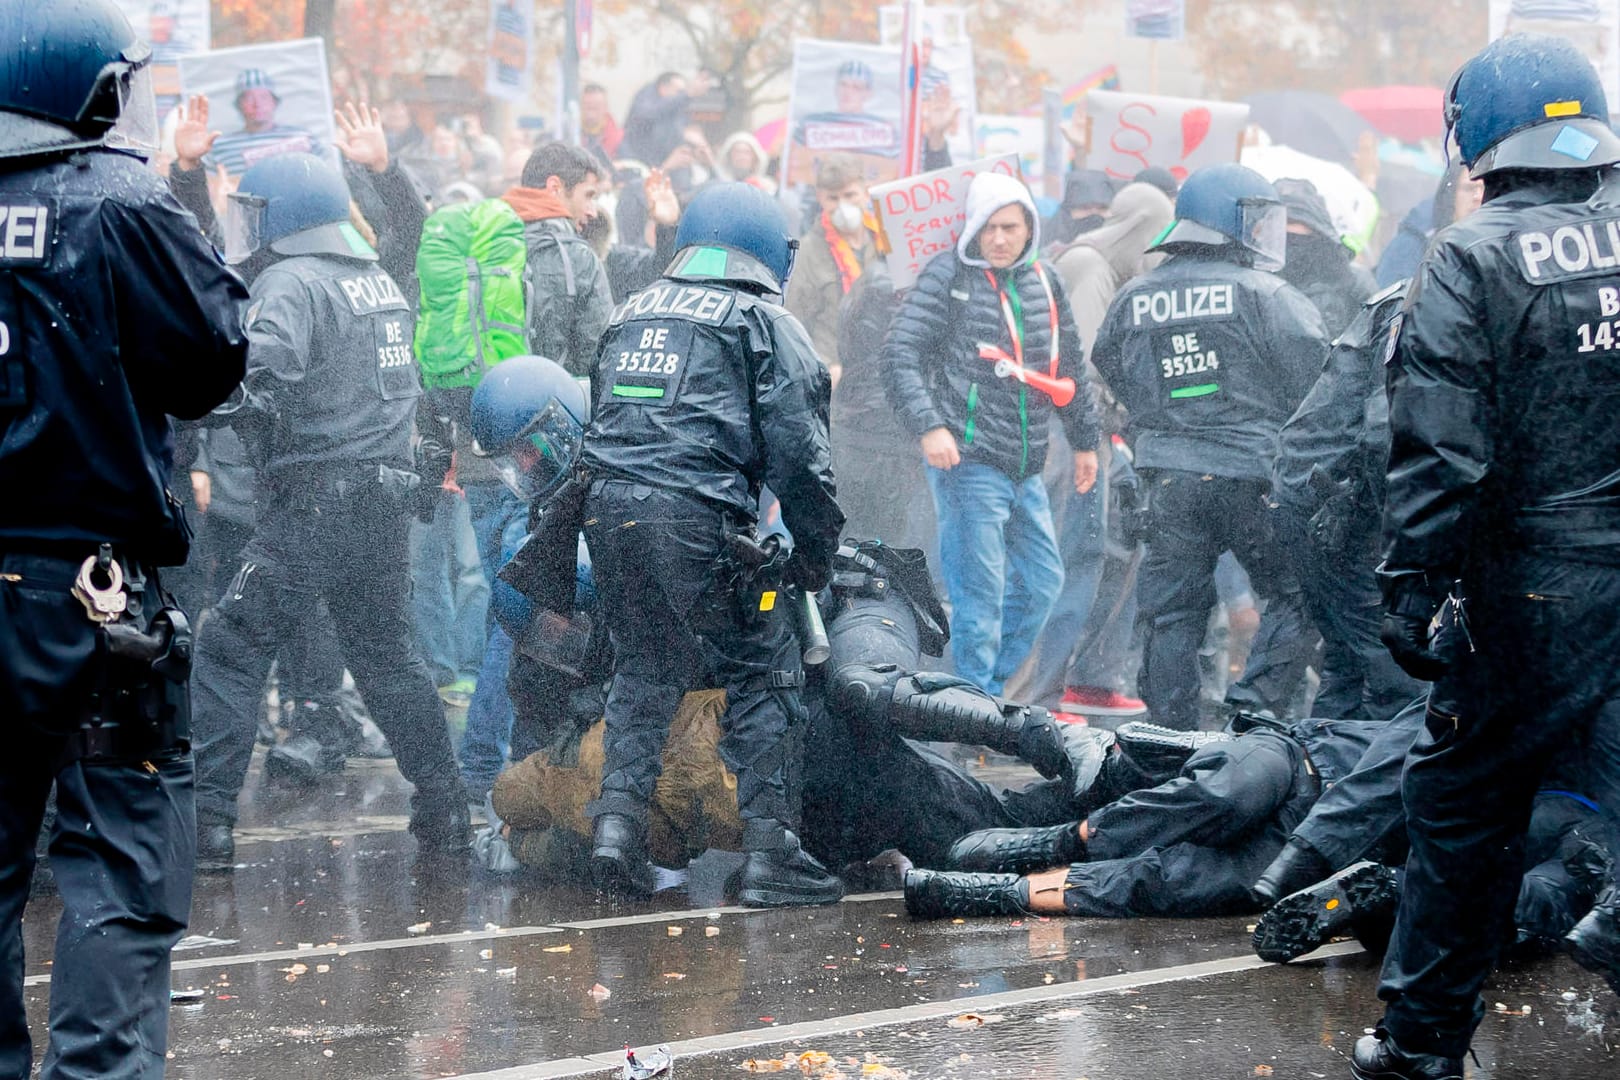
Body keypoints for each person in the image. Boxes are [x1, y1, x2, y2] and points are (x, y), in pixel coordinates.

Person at [1351, 34, 1620, 1078]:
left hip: (1532, 589)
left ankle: (1419, 1047)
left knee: (1465, 811)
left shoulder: (1469, 256)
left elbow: (1441, 448)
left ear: (1478, 137)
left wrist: (1412, 584)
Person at [0, 3, 249, 1074]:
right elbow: (213, 358)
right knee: (119, 857)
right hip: (90, 602)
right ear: (95, 87)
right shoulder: (119, 200)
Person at [188, 152, 469, 871]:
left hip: (312, 502)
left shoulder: (290, 281)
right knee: (388, 660)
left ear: (283, 215)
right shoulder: (375, 280)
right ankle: (445, 810)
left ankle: (211, 828)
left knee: (230, 644)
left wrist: (212, 399)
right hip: (382, 503)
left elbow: (261, 374)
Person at [578, 182, 847, 906]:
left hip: (605, 511)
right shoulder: (764, 319)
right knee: (764, 671)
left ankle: (617, 837)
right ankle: (772, 857)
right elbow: (801, 455)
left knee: (642, 668)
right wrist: (815, 559)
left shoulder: (631, 309)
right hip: (697, 517)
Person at [1089, 164, 1328, 729]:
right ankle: (1254, 715)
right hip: (1254, 476)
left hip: (1167, 477)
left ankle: (1169, 738)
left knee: (1173, 614)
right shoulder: (1270, 295)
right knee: (1297, 594)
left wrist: (1169, 417)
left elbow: (1111, 366)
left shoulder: (1135, 295)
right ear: (1232, 222)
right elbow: (1318, 384)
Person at [881, 172, 1101, 695]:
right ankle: (973, 710)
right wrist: (930, 426)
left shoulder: (1045, 280)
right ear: (973, 229)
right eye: (989, 228)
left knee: (1043, 583)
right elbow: (899, 354)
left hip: (1027, 464)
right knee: (979, 595)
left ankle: (983, 695)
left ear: (1030, 228)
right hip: (968, 461)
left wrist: (1085, 439)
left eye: (1010, 226)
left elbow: (1068, 362)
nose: (999, 238)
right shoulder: (948, 276)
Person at [453, 140, 614, 804]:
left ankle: (480, 770)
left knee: (505, 606)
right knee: (523, 618)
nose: (594, 211)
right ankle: (507, 768)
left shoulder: (473, 248)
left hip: (482, 455)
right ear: (557, 186)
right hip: (551, 459)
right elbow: (601, 367)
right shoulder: (575, 258)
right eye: (589, 197)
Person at [1016, 181, 1174, 717]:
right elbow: (1077, 371)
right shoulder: (1089, 265)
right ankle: (1031, 698)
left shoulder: (1105, 267)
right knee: (1066, 560)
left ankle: (1080, 678)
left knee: (1103, 556)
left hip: (1091, 437)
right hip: (1068, 436)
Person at [786, 153, 876, 383]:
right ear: (820, 199)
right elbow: (795, 322)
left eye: (850, 195)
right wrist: (822, 365)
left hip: (879, 371)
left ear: (866, 192)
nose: (842, 205)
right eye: (833, 198)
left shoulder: (886, 240)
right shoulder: (808, 251)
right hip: (836, 376)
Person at [1274, 177, 1376, 339]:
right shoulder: (1253, 279)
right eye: (1277, 221)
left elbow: (1371, 343)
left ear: (1314, 226)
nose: (1285, 229)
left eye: (1293, 221)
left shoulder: (1352, 282)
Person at [205, 68, 322, 177]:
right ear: (239, 105)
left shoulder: (303, 137)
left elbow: (323, 179)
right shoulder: (220, 147)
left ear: (274, 102)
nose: (257, 104)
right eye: (249, 98)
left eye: (264, 97)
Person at [579, 83, 622, 173]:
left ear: (606, 108)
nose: (591, 110)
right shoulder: (569, 137)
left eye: (596, 106)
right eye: (587, 105)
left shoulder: (621, 140)